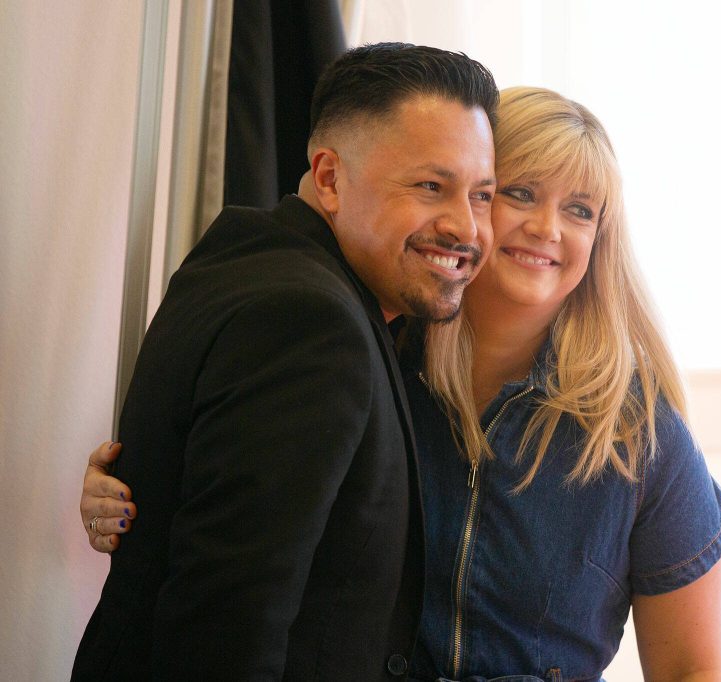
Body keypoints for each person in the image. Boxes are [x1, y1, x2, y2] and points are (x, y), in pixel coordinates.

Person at [81, 86, 721, 681]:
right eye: (519, 193)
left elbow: (690, 670)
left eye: (579, 210)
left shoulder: (640, 437)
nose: (547, 228)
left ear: (602, 238)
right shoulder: (359, 362)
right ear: (470, 204)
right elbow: (240, 519)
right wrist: (134, 491)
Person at [73, 43, 499, 680]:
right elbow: (224, 630)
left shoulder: (249, 259)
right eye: (430, 186)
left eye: (483, 195)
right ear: (329, 178)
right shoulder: (310, 323)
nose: (466, 227)